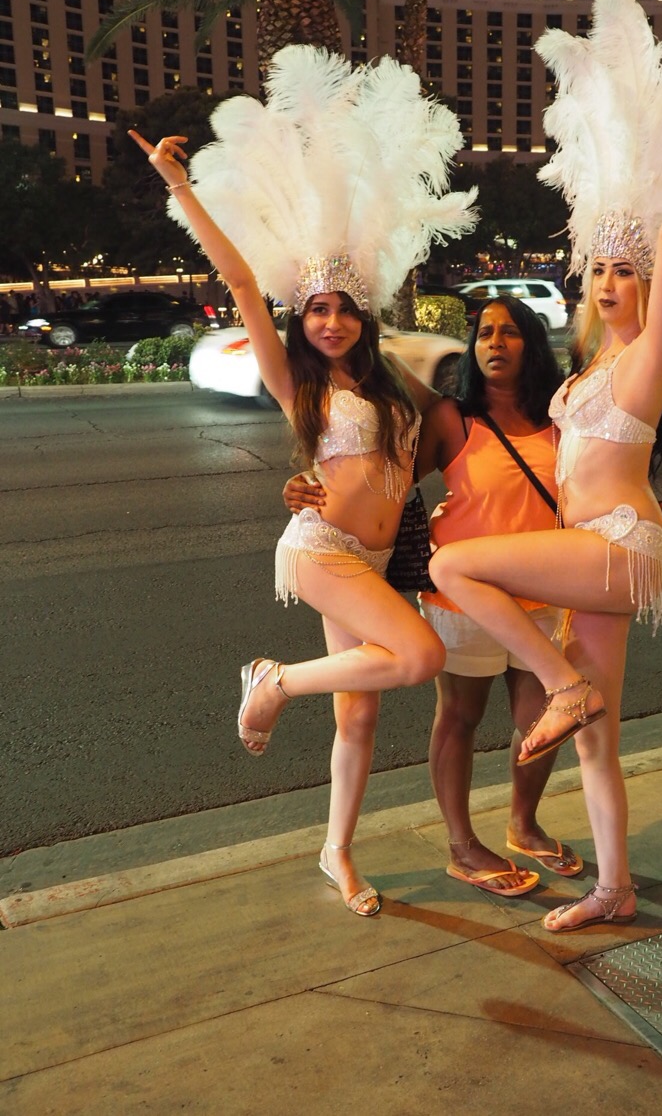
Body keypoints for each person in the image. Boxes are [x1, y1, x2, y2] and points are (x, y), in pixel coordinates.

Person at [429, 0, 662, 932]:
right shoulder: (589, 368)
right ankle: (614, 887)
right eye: (598, 268)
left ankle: (560, 688)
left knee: (454, 569)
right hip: (595, 551)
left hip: (612, 546)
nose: (608, 281)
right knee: (597, 741)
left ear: (647, 283)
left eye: (624, 270)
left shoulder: (647, 357)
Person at [131, 45, 477, 918]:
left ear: (363, 316)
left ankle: (337, 854)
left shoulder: (395, 385)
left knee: (358, 717)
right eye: (317, 309)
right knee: (420, 656)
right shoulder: (301, 385)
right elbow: (241, 281)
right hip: (321, 552)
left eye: (341, 309)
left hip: (376, 559)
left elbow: (435, 452)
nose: (328, 321)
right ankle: (273, 680)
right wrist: (180, 188)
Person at [284, 296, 662, 897]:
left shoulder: (562, 417)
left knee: (539, 722)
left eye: (510, 332)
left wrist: (649, 512)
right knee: (460, 718)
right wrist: (306, 483)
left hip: (542, 595)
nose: (495, 343)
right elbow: (383, 474)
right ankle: (462, 845)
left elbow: (598, 483)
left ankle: (524, 824)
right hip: (463, 601)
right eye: (484, 333)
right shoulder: (453, 419)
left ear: (532, 344)